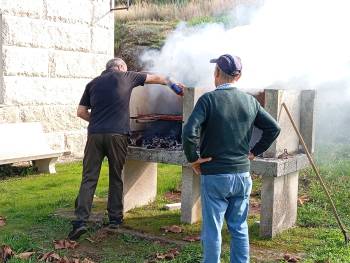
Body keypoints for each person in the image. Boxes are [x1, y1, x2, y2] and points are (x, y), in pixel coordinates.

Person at [68, 58, 184, 240]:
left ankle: (80, 221)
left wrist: (98, 122)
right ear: (121, 67)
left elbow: (81, 112)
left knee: (89, 178)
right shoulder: (127, 76)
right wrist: (176, 86)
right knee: (116, 175)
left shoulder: (92, 83)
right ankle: (115, 219)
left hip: (95, 135)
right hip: (117, 135)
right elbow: (159, 78)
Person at [182, 54, 281, 263]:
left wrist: (193, 159)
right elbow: (274, 128)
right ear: (239, 75)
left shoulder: (208, 100)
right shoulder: (250, 101)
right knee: (239, 227)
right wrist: (254, 152)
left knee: (212, 229)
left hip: (215, 175)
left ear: (216, 73)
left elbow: (189, 132)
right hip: (242, 175)